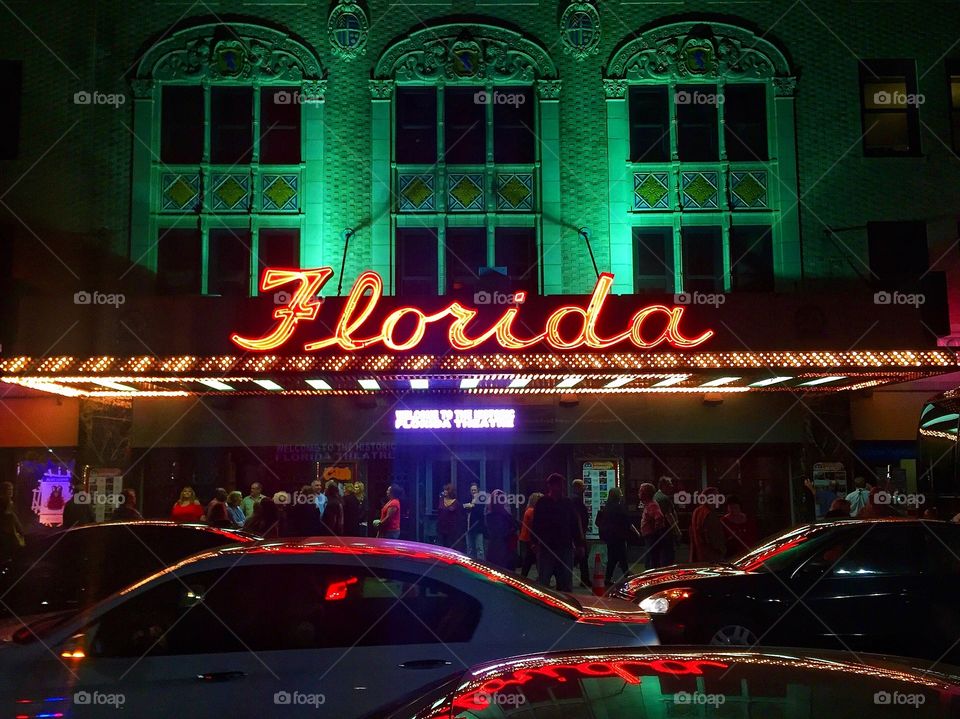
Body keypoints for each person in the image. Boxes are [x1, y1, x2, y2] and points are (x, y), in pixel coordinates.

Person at [530, 474, 584, 592]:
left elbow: (573, 524)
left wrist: (579, 544)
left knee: (564, 582)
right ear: (551, 486)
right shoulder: (543, 502)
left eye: (561, 485)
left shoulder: (566, 502)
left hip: (563, 545)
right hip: (548, 546)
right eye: (558, 485)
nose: (560, 488)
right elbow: (536, 523)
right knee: (545, 581)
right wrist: (534, 541)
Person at [597, 487, 640, 585]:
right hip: (619, 536)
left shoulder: (606, 507)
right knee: (622, 556)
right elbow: (627, 522)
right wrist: (636, 532)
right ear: (617, 496)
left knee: (612, 558)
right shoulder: (619, 507)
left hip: (609, 536)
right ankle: (626, 575)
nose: (621, 495)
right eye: (620, 493)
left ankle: (608, 578)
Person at [689, 487, 726, 563]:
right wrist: (722, 549)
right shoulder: (709, 514)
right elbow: (713, 536)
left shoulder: (697, 511)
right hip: (711, 556)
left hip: (699, 554)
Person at [484, 490, 518, 570]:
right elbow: (502, 531)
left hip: (499, 548)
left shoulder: (490, 515)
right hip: (502, 548)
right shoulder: (497, 515)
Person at [639, 483, 668, 569]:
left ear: (646, 494)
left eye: (641, 491)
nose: (639, 493)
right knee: (651, 559)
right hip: (650, 536)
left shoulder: (652, 505)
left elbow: (659, 517)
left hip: (651, 537)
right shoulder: (648, 504)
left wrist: (655, 530)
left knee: (651, 560)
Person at [653, 477, 680, 566]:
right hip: (666, 531)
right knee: (668, 556)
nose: (672, 486)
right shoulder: (664, 498)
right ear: (664, 486)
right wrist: (677, 531)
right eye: (669, 484)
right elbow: (669, 516)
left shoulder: (656, 496)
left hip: (659, 532)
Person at [571, 479, 591, 589]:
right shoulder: (576, 500)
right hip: (578, 534)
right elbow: (578, 517)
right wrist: (581, 534)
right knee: (582, 556)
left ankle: (585, 579)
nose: (584, 489)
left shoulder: (576, 500)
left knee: (581, 556)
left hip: (579, 533)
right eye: (582, 486)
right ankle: (585, 579)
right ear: (577, 487)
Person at [518, 492, 542, 578]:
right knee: (533, 558)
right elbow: (534, 525)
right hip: (529, 538)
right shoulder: (532, 511)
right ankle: (540, 577)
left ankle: (524, 576)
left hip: (526, 537)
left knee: (529, 559)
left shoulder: (528, 510)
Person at [437, 483, 465, 550]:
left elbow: (459, 517)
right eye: (444, 490)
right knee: (441, 547)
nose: (445, 491)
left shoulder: (456, 503)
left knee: (450, 547)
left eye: (446, 490)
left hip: (451, 530)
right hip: (441, 528)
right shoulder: (441, 500)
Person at [0, 488, 25, 562]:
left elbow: (13, 516)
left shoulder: (11, 502)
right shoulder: (3, 502)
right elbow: (9, 515)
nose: (11, 492)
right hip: (5, 530)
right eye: (8, 490)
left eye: (11, 490)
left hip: (9, 529)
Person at [463, 483, 486, 560]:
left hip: (478, 528)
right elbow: (463, 508)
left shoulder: (481, 500)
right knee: (469, 549)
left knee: (479, 549)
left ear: (478, 491)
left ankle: (481, 567)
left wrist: (473, 504)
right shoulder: (468, 499)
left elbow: (480, 513)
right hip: (468, 528)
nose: (473, 491)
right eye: (472, 490)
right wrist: (469, 505)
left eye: (475, 490)